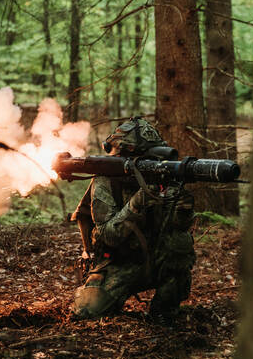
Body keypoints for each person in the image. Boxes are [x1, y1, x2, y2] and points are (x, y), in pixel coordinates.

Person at [71, 117, 195, 326]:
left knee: (180, 246)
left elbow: (175, 229)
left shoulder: (162, 177)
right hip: (118, 262)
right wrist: (139, 201)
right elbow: (108, 235)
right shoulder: (105, 180)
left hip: (154, 259)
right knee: (86, 312)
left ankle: (164, 311)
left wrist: (182, 212)